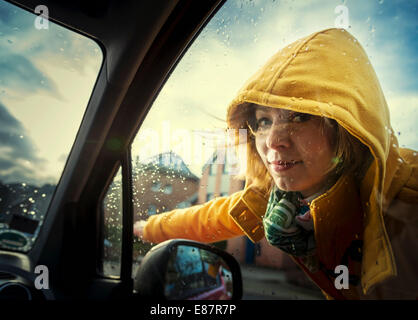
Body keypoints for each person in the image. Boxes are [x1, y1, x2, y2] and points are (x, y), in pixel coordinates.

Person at [133, 28, 418, 299]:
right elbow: (209, 218)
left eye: (300, 116)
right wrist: (147, 228)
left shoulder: (407, 196)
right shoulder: (278, 202)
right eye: (264, 121)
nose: (272, 140)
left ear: (346, 128)